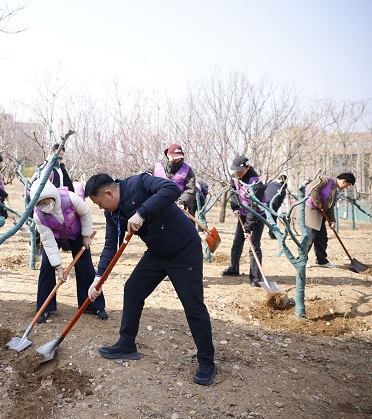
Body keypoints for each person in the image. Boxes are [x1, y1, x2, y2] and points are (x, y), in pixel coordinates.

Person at [85, 172, 216, 386]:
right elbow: (111, 245)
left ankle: (207, 362)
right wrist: (98, 278)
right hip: (157, 253)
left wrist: (141, 213)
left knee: (193, 307)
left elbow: (172, 189)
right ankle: (127, 344)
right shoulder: (113, 214)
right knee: (133, 290)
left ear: (109, 193)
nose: (100, 208)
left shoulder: (140, 182)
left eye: (99, 203)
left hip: (184, 251)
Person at [31, 179, 108, 323]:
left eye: (46, 202)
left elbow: (86, 213)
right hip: (55, 236)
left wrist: (86, 235)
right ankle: (44, 308)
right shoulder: (39, 216)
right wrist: (58, 267)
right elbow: (48, 241)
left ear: (53, 196)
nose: (44, 206)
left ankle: (94, 305)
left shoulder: (69, 199)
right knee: (47, 267)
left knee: (85, 265)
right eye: (40, 204)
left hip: (77, 232)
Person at [220, 156, 266, 287]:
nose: (237, 173)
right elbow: (233, 193)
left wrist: (248, 228)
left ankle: (255, 277)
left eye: (240, 170)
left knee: (254, 246)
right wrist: (235, 207)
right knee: (237, 242)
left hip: (257, 215)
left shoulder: (255, 183)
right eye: (235, 170)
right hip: (244, 213)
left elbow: (254, 207)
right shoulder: (235, 177)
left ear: (248, 167)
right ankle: (233, 268)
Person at [303, 173, 356, 268]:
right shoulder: (326, 180)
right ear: (344, 181)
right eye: (347, 185)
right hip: (311, 211)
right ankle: (302, 259)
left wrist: (332, 221)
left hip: (320, 214)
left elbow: (330, 208)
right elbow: (313, 189)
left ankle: (322, 260)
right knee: (310, 236)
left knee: (322, 238)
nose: (346, 188)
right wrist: (318, 203)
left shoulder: (335, 190)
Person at [147, 144, 197, 215]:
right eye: (174, 157)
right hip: (156, 206)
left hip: (176, 208)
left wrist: (182, 202)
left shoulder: (187, 169)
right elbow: (142, 180)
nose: (176, 159)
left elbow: (190, 189)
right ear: (168, 154)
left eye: (178, 157)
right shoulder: (155, 167)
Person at [264, 174, 288, 239]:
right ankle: (272, 234)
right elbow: (280, 202)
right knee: (273, 219)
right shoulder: (282, 190)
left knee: (261, 218)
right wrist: (275, 212)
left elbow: (262, 188)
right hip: (273, 204)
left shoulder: (270, 184)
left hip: (264, 202)